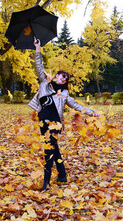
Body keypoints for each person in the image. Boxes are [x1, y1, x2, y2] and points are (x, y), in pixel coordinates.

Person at [28, 38, 99, 190]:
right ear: (56, 75)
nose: (63, 78)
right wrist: (38, 48)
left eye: (65, 78)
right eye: (61, 75)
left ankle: (46, 182)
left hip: (55, 123)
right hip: (42, 122)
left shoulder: (64, 93)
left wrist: (91, 112)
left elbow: (75, 105)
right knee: (54, 149)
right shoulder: (45, 83)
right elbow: (39, 66)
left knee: (48, 149)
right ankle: (62, 174)